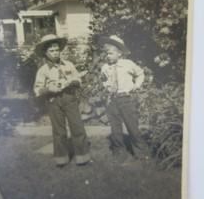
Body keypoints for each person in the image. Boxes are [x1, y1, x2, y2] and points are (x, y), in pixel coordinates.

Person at [33, 34, 90, 167]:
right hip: (53, 101)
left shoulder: (68, 64)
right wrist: (49, 88)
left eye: (57, 50)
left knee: (77, 126)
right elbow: (37, 89)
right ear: (45, 53)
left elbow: (78, 79)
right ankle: (62, 159)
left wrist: (73, 81)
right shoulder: (43, 70)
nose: (55, 53)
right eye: (51, 51)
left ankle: (82, 157)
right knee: (59, 130)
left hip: (69, 98)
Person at [100, 35, 149, 162]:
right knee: (115, 128)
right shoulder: (105, 67)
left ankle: (141, 152)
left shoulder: (128, 64)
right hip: (112, 100)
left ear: (119, 53)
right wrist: (106, 86)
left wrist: (136, 86)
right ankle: (119, 152)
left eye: (110, 53)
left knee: (132, 126)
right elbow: (103, 80)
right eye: (106, 53)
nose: (107, 56)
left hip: (126, 99)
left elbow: (140, 73)